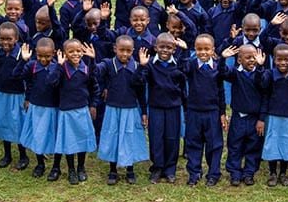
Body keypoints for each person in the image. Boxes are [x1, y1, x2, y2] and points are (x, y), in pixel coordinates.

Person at [94, 35, 149, 185]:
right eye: (121, 50)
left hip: (130, 109)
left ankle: (130, 169)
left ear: (133, 51)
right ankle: (113, 170)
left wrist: (144, 111)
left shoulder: (137, 66)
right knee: (113, 137)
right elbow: (96, 73)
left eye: (128, 51)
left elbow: (139, 88)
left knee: (129, 138)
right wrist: (92, 60)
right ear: (115, 49)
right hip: (112, 109)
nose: (124, 54)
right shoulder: (108, 64)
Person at [47, 39, 100, 184]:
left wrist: (93, 105)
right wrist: (58, 65)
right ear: (65, 54)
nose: (75, 54)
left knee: (82, 140)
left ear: (82, 52)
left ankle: (81, 167)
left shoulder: (86, 69)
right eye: (71, 51)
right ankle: (71, 169)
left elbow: (95, 87)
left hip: (82, 110)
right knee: (69, 142)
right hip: (66, 112)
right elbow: (52, 83)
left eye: (78, 51)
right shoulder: (62, 70)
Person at [137, 33, 187, 184]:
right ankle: (157, 167)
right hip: (156, 107)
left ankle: (170, 169)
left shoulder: (178, 64)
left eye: (169, 47)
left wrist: (184, 51)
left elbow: (184, 87)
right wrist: (142, 65)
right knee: (156, 138)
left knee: (172, 138)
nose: (165, 50)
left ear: (174, 49)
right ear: (155, 47)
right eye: (162, 47)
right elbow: (139, 81)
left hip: (173, 107)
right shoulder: (151, 64)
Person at [180, 34, 228, 187]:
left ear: (213, 50)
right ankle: (194, 173)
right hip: (194, 111)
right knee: (193, 143)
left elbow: (221, 92)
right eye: (199, 49)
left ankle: (213, 174)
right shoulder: (192, 66)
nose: (203, 52)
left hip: (212, 112)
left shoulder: (217, 68)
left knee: (214, 144)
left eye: (207, 49)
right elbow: (182, 67)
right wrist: (184, 51)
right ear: (195, 49)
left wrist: (222, 113)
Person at [13, 38, 63, 180]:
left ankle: (56, 166)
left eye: (47, 56)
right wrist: (23, 60)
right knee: (38, 135)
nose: (43, 59)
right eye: (40, 56)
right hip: (37, 107)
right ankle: (40, 163)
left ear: (53, 53)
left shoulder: (58, 67)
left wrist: (59, 66)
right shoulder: (32, 66)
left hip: (53, 107)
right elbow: (18, 76)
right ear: (36, 53)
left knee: (55, 136)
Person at [219, 45, 266, 186]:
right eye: (248, 57)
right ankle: (235, 173)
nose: (252, 60)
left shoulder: (260, 74)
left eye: (254, 57)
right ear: (239, 60)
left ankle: (249, 173)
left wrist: (261, 119)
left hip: (254, 119)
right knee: (235, 145)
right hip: (238, 117)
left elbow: (264, 93)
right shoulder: (235, 74)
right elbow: (221, 72)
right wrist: (223, 59)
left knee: (253, 146)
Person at [256, 44, 288, 187]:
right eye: (279, 59)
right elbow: (262, 89)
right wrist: (262, 119)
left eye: (286, 59)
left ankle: (283, 173)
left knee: (286, 145)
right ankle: (273, 173)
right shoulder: (269, 74)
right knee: (273, 145)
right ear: (274, 59)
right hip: (273, 116)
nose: (283, 63)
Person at [0, 22, 29, 170]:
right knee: (3, 123)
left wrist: (27, 98)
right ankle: (7, 154)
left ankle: (23, 155)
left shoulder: (22, 54)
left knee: (18, 124)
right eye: (2, 39)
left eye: (9, 39)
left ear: (17, 38)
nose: (6, 42)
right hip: (2, 94)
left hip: (17, 94)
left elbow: (26, 78)